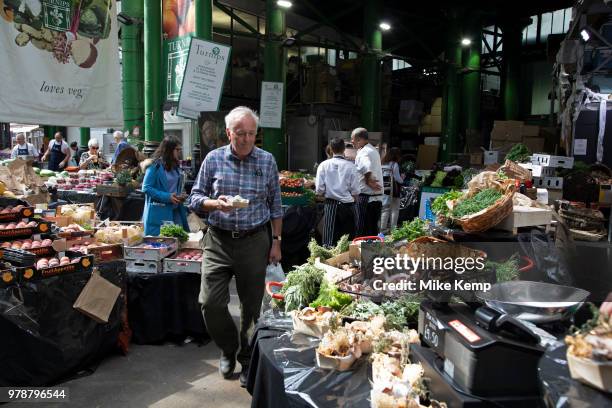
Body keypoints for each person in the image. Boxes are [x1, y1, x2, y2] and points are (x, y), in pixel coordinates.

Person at [188, 106, 282, 387]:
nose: (246, 139)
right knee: (210, 303)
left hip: (255, 240)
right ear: (229, 132)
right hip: (218, 239)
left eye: (252, 134)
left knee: (252, 307)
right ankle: (228, 347)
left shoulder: (266, 161)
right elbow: (194, 197)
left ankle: (246, 357)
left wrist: (276, 242)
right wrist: (215, 204)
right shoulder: (213, 160)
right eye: (240, 133)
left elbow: (275, 206)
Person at [315, 137, 360, 247]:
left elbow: (319, 190)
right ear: (344, 149)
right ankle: (348, 262)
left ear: (331, 148)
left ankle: (328, 262)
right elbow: (355, 192)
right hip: (348, 206)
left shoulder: (323, 165)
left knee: (329, 241)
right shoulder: (351, 166)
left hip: (331, 205)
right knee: (348, 240)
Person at [142, 136, 189, 236]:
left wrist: (181, 194)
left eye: (180, 149)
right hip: (160, 213)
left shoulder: (175, 166)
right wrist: (167, 197)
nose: (179, 152)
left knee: (179, 241)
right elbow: (146, 188)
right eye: (177, 150)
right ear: (169, 150)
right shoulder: (154, 166)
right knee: (162, 245)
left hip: (176, 210)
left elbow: (175, 186)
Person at [351, 127, 383, 237]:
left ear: (359, 140)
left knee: (363, 232)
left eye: (353, 139)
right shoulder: (372, 150)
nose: (351, 142)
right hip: (375, 198)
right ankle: (373, 253)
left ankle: (363, 254)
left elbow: (366, 166)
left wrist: (368, 180)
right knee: (372, 230)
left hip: (367, 198)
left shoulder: (364, 152)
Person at [380, 148, 405, 233]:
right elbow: (398, 179)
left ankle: (382, 228)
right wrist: (402, 178)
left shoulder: (382, 163)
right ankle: (393, 229)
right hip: (393, 190)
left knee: (384, 208)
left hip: (383, 189)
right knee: (395, 209)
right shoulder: (394, 164)